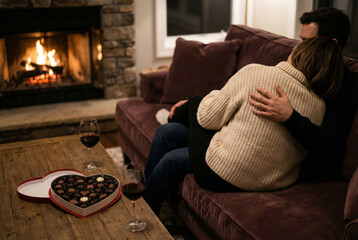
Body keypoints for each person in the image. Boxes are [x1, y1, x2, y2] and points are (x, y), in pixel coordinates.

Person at [143, 37, 344, 214]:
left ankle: (142, 211)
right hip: (272, 180)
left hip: (222, 172)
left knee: (195, 107)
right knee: (168, 133)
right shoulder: (320, 107)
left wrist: (211, 97)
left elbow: (207, 119)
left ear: (298, 53)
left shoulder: (255, 72)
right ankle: (171, 121)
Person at [249, 7, 357, 180]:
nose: (299, 47)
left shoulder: (344, 84)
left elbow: (330, 142)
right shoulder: (296, 63)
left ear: (332, 44)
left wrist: (290, 116)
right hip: (250, 133)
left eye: (307, 41)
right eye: (300, 40)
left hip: (287, 162)